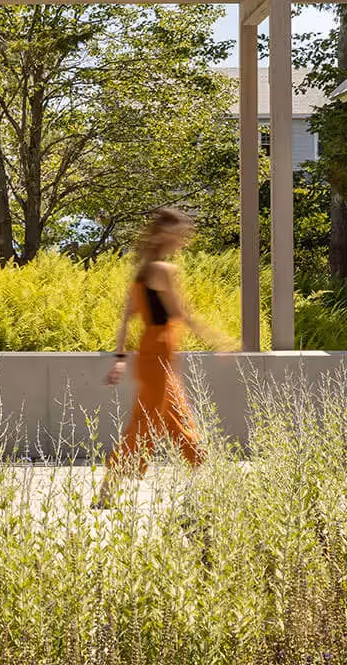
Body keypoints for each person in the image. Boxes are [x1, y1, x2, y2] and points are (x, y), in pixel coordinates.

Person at [96, 206, 231, 503]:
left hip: (153, 355)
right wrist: (218, 340)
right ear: (165, 234)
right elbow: (182, 313)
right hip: (158, 354)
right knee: (146, 422)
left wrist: (119, 360)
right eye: (181, 234)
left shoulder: (143, 272)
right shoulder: (164, 271)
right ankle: (107, 490)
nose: (184, 240)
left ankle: (206, 486)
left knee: (177, 420)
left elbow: (125, 318)